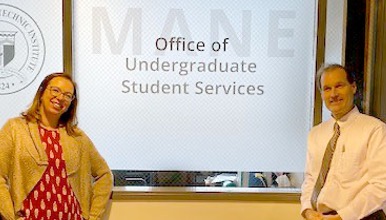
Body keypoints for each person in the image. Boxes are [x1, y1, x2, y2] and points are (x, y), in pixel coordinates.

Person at [0, 73, 113, 220]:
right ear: (41, 92)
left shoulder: (77, 137)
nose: (60, 98)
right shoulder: (14, 128)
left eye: (67, 95)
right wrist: (10, 216)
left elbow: (105, 175)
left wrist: (93, 216)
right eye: (55, 90)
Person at [300, 64, 386, 220]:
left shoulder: (375, 130)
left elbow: (381, 185)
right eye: (327, 89)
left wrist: (343, 216)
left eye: (339, 86)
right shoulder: (316, 134)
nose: (333, 94)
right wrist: (307, 210)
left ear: (353, 87)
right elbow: (310, 179)